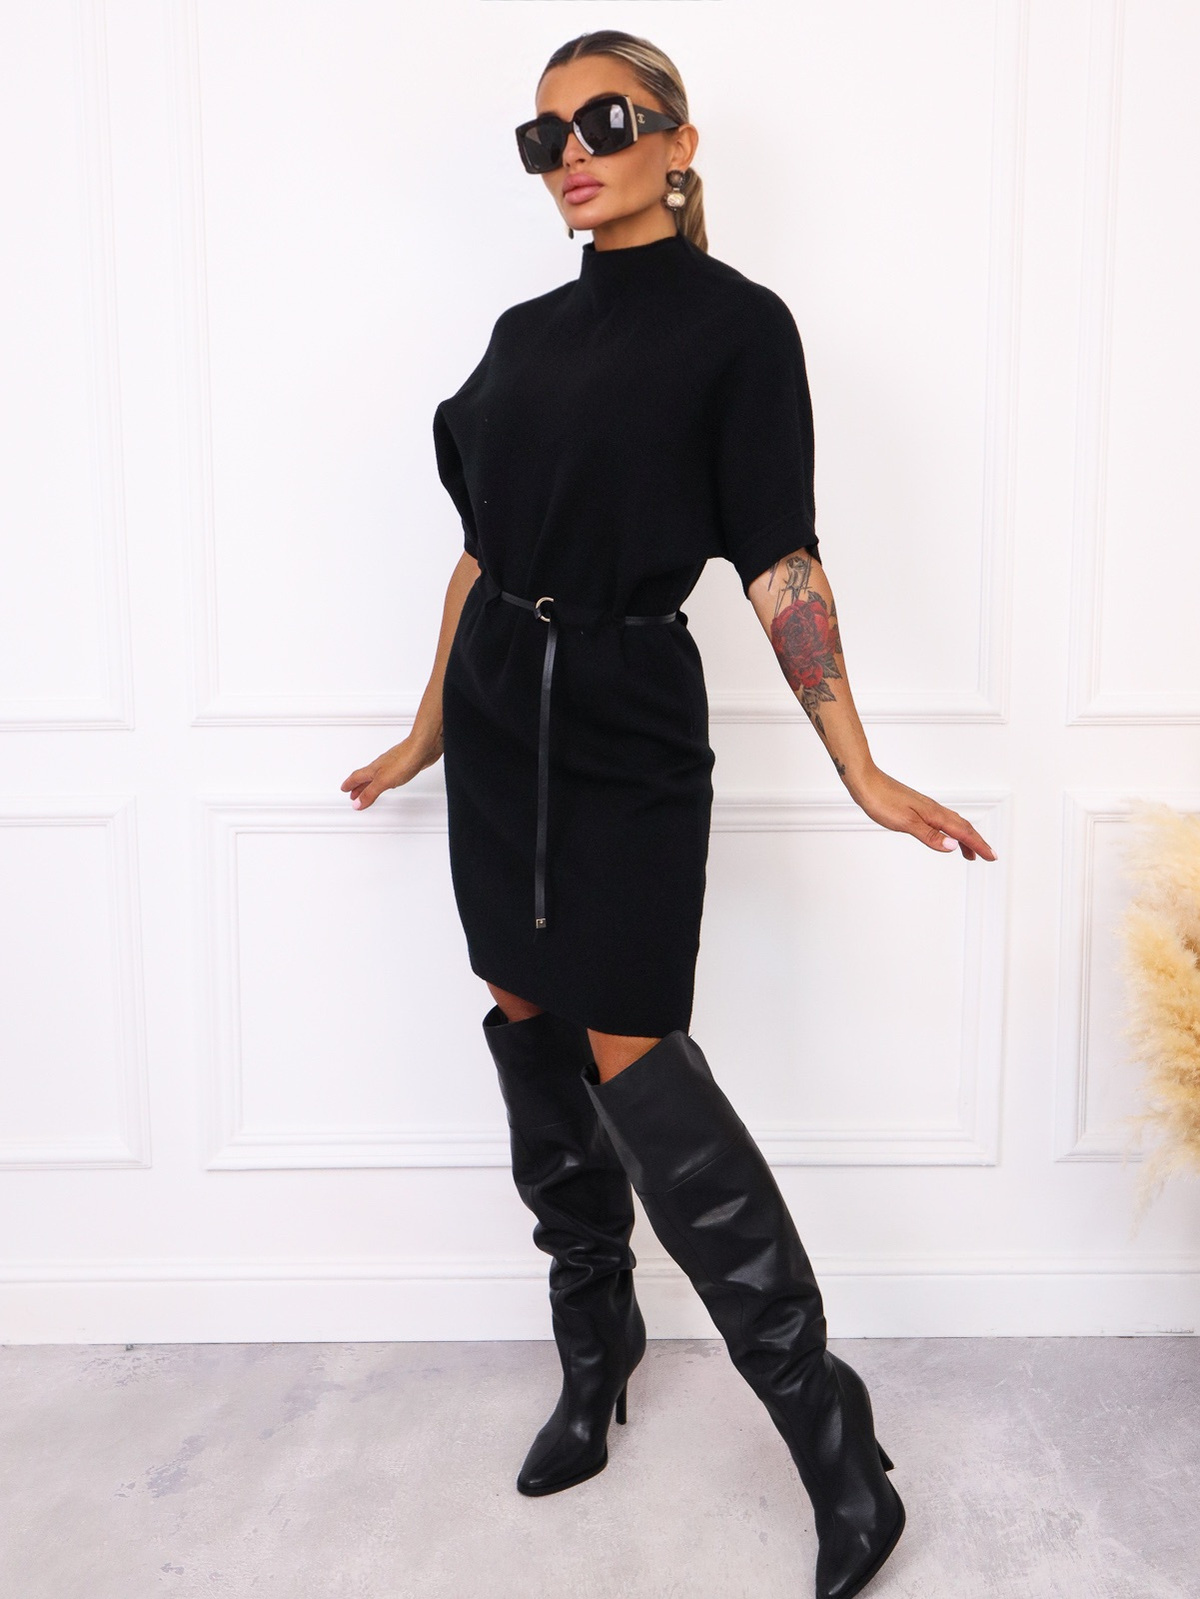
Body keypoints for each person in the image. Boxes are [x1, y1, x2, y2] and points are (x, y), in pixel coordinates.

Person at [343, 27, 996, 1599]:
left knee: (635, 1049)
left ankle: (830, 1435)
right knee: (524, 1016)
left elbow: (778, 557)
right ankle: (598, 1341)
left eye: (607, 120)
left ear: (679, 143)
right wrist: (426, 729)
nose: (572, 153)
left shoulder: (738, 330)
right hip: (501, 716)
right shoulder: (520, 336)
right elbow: (479, 552)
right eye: (546, 134)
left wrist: (860, 768)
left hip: (629, 718)